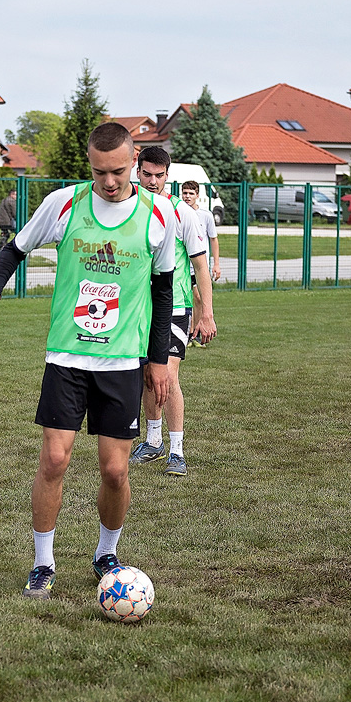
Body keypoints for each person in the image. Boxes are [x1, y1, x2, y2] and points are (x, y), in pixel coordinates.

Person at [0, 122, 177, 599]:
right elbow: (14, 250)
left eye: (119, 171)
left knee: (115, 471)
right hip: (67, 355)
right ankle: (43, 563)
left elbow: (163, 291)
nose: (110, 182)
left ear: (134, 161)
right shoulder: (64, 203)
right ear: (90, 164)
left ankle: (106, 553)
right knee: (55, 459)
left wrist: (158, 359)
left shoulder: (158, 214)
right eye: (100, 172)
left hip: (122, 362)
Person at [127, 148, 216, 478]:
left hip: (175, 306)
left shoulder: (182, 213)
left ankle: (177, 451)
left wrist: (206, 314)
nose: (153, 181)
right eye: (147, 174)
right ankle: (153, 442)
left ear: (168, 176)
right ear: (138, 172)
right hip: (139, 308)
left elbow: (201, 267)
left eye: (159, 175)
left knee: (168, 375)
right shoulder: (129, 208)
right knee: (147, 375)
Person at [181, 180, 221, 283]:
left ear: (197, 196)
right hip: (181, 266)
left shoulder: (206, 215)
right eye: (185, 193)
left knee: (199, 293)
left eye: (191, 193)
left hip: (199, 266)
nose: (187, 196)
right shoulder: (177, 213)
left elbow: (213, 239)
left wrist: (216, 264)